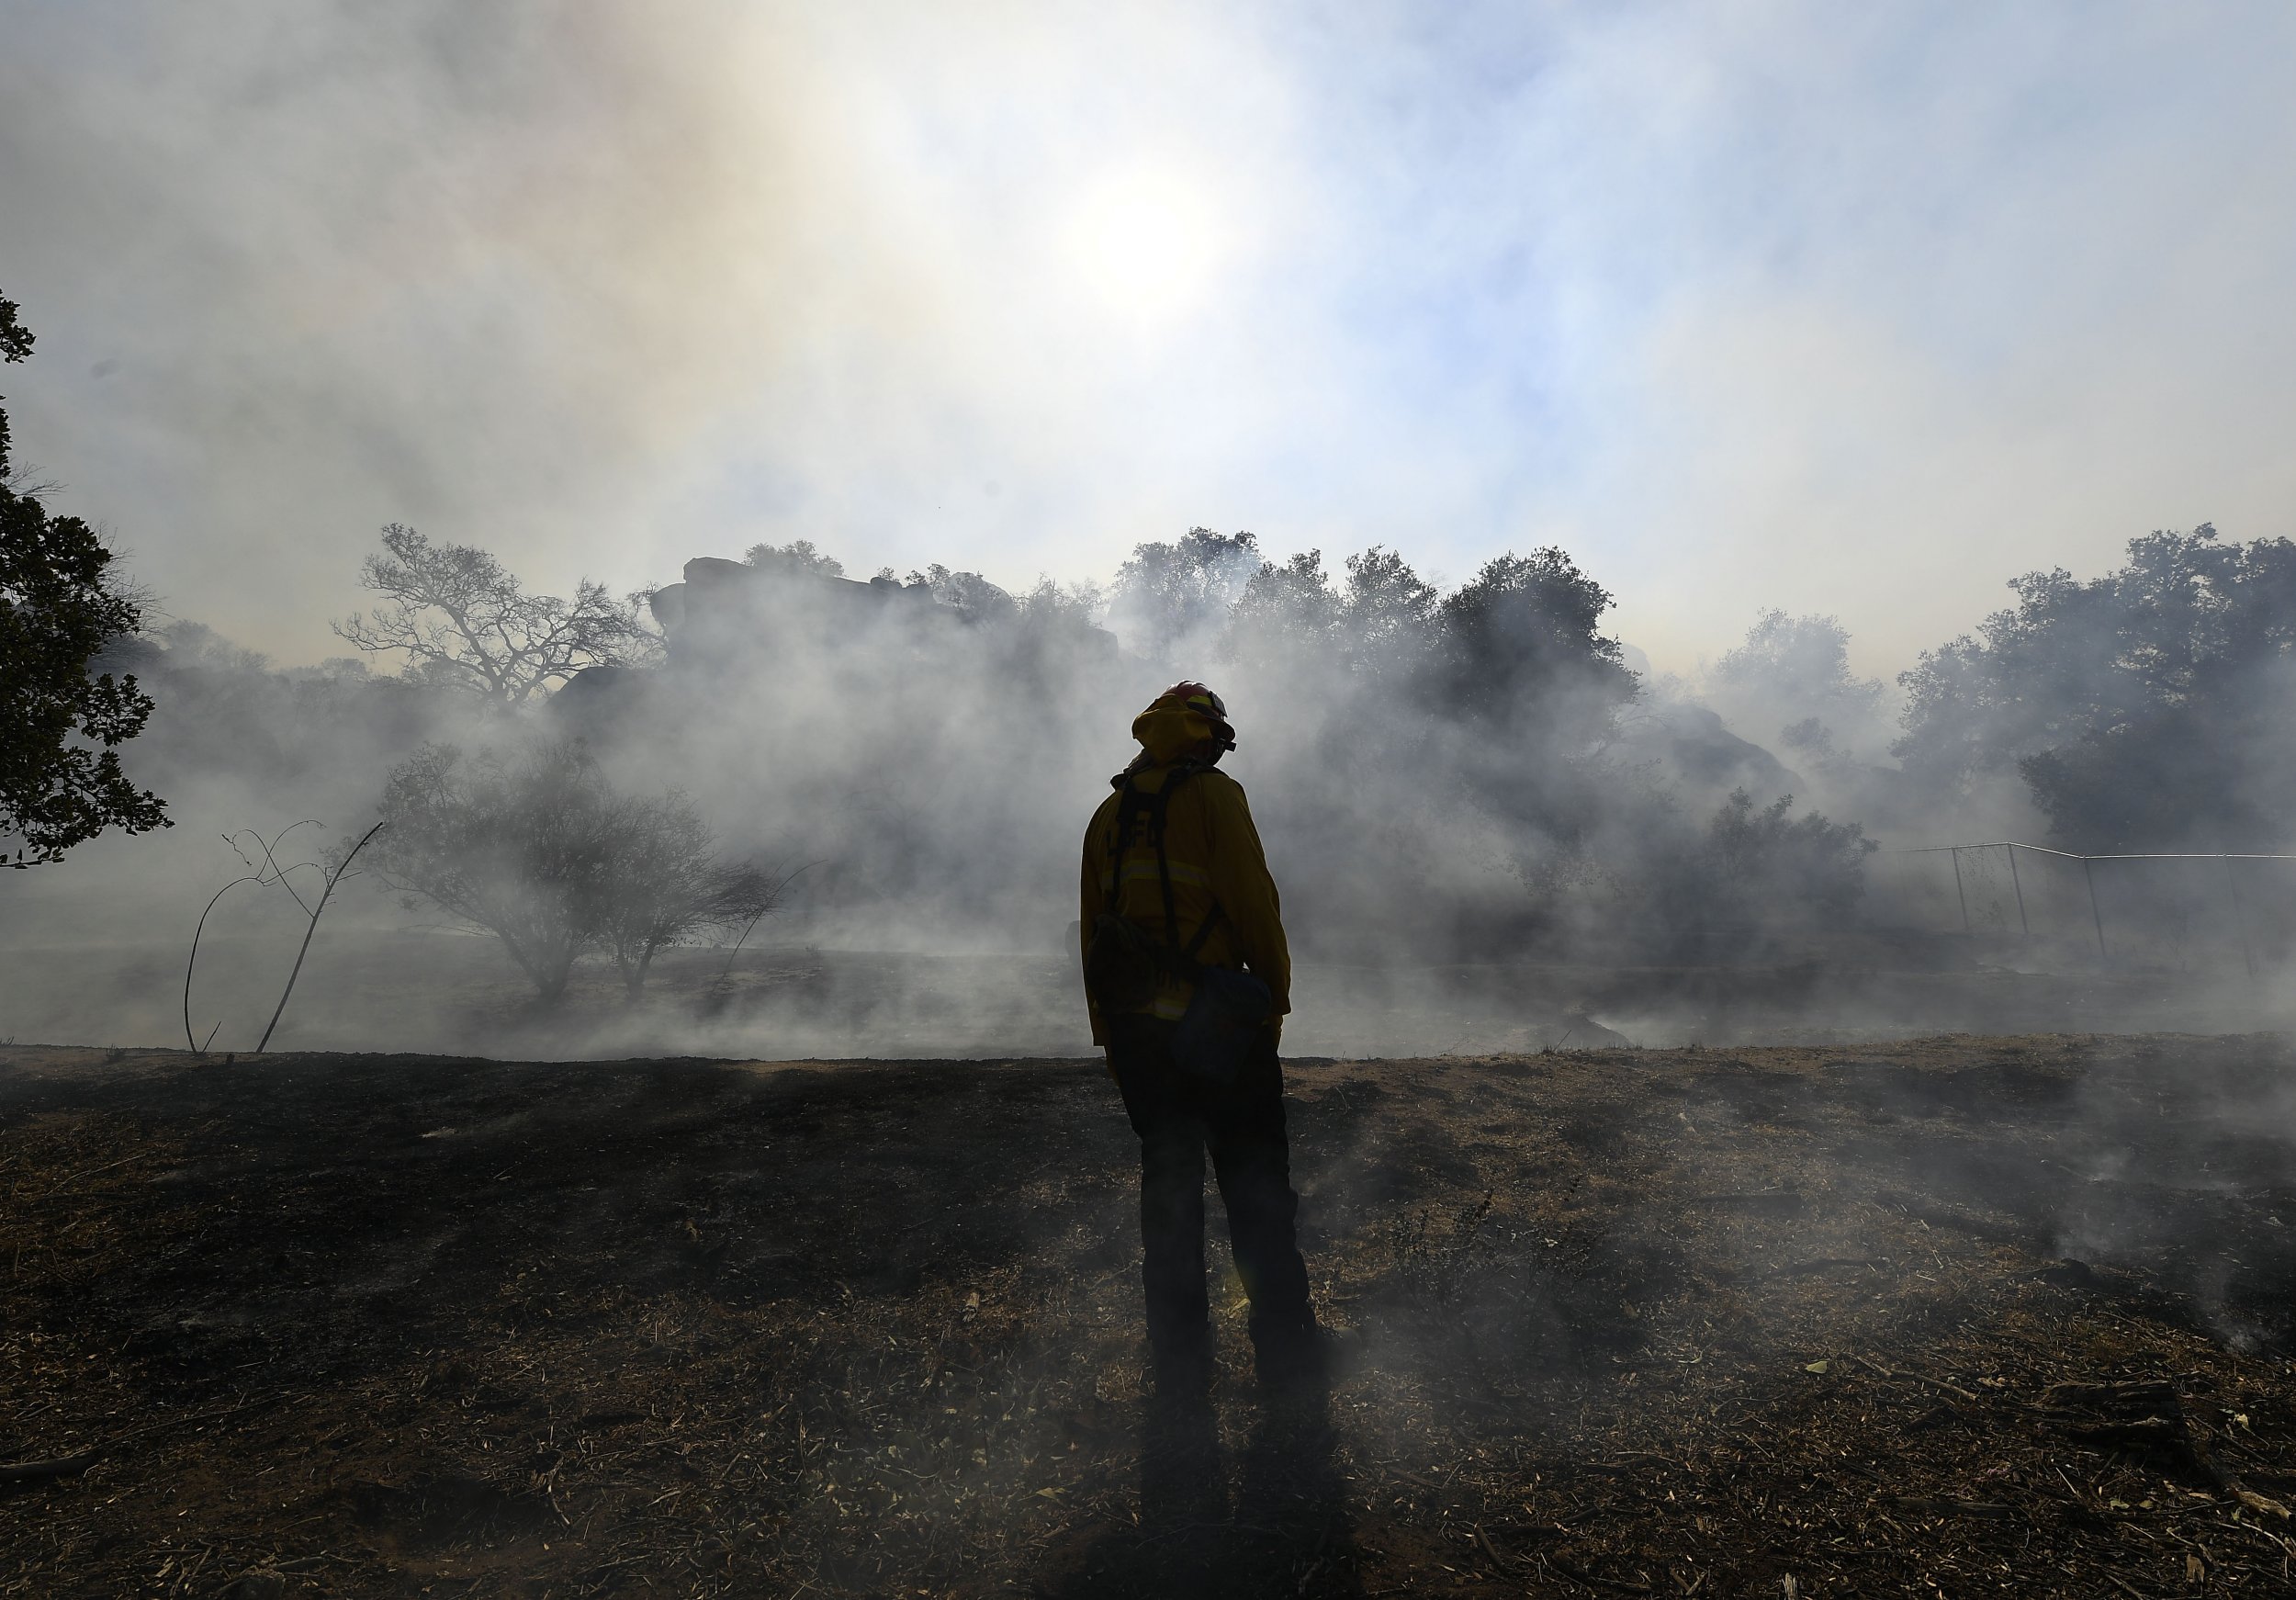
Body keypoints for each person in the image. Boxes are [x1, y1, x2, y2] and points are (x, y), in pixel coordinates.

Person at [1078, 682, 1322, 1401]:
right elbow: (1254, 904)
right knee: (1258, 1201)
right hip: (1219, 1034)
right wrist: (1271, 1005)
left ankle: (1180, 1375)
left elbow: (1096, 941)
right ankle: (1288, 1364)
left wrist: (1112, 1043)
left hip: (1144, 1045)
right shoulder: (1217, 797)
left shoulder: (1106, 816)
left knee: (1170, 1209)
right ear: (1204, 736)